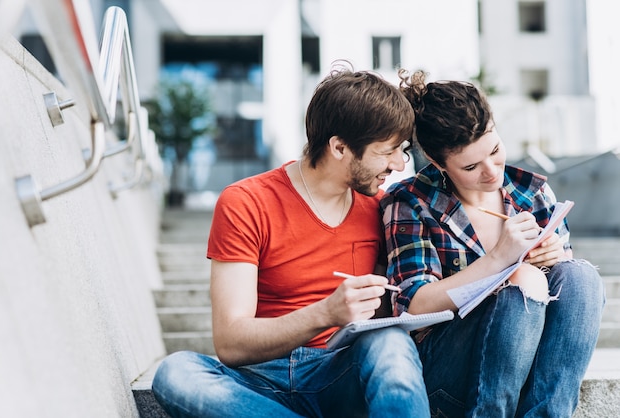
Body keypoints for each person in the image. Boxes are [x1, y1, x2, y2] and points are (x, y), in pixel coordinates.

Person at [152, 64, 431, 418]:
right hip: (256, 382)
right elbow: (231, 342)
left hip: (339, 374)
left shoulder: (380, 207)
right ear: (340, 147)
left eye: (402, 149)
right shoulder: (246, 202)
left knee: (390, 340)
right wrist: (326, 313)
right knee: (176, 373)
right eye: (387, 150)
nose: (399, 164)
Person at [380, 69, 605, 417]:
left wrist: (554, 257)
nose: (491, 171)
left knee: (580, 277)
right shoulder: (411, 202)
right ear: (439, 163)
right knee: (521, 286)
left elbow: (567, 297)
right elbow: (414, 308)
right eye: (471, 166)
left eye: (495, 150)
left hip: (528, 362)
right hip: (451, 369)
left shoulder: (531, 192)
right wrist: (499, 259)